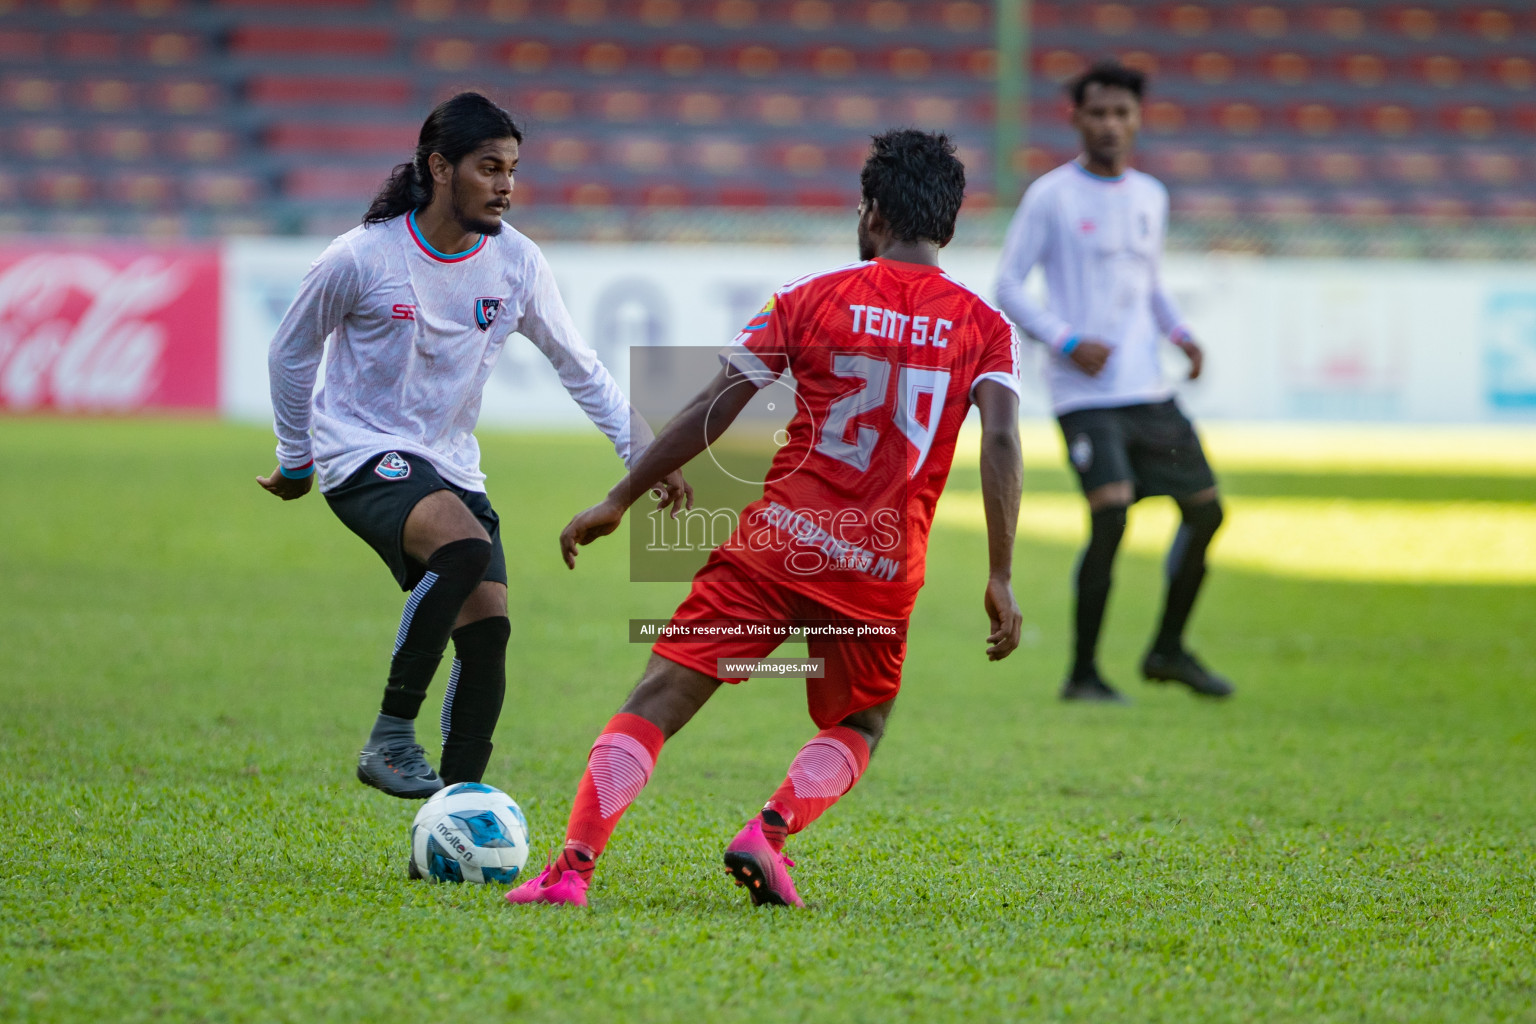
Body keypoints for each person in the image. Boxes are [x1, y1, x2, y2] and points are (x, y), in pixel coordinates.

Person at [506, 129, 1025, 909]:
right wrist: (1000, 574)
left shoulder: (808, 298)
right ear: (946, 225)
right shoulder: (983, 328)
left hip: (778, 545)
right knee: (862, 720)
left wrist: (622, 496)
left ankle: (572, 870)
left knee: (660, 696)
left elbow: (714, 407)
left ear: (873, 212)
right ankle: (771, 832)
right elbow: (1004, 440)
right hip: (881, 570)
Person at [258, 92, 689, 799]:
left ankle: (455, 809)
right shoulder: (363, 258)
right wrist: (297, 457)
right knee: (461, 549)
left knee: (489, 631)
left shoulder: (516, 264)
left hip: (450, 464)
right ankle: (392, 735)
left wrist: (645, 458)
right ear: (439, 167)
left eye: (512, 169)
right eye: (489, 167)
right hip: (361, 455)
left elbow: (580, 366)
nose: (506, 186)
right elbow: (291, 352)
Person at [995, 60, 1233, 703]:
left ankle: (1167, 650)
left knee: (1207, 512)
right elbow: (1009, 285)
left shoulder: (1150, 196)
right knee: (1111, 514)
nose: (1110, 124)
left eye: (1121, 113)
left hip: (1148, 389)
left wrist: (1180, 334)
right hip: (1085, 394)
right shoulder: (1052, 195)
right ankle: (1083, 674)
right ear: (1075, 118)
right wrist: (1068, 340)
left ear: (1137, 119)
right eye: (1097, 112)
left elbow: (1148, 282)